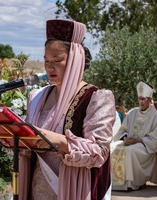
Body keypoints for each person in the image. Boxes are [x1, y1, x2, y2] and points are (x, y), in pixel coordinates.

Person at [19, 19, 116, 200]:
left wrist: (59, 140)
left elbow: (99, 152)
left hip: (72, 189)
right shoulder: (36, 97)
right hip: (36, 186)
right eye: (46, 60)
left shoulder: (96, 98)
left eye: (57, 60)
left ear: (75, 60)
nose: (49, 67)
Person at [111, 81, 157, 191]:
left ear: (150, 100)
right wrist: (124, 138)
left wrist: (139, 140)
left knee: (130, 151)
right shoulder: (132, 112)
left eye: (143, 99)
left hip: (145, 146)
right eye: (139, 98)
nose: (141, 101)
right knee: (111, 147)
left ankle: (131, 183)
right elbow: (123, 130)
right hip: (129, 142)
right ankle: (115, 183)